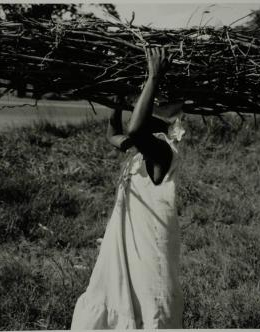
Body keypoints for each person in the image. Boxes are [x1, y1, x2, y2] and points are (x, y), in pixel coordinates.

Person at [70, 46, 185, 329]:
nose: (137, 112)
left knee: (148, 308)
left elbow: (134, 130)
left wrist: (154, 77)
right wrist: (117, 104)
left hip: (147, 249)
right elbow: (114, 135)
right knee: (119, 298)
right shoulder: (140, 152)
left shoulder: (162, 152)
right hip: (125, 243)